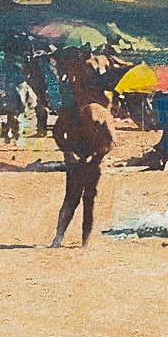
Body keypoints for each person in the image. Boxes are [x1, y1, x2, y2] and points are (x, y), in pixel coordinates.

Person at [46, 59, 115, 246]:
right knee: (71, 198)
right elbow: (57, 132)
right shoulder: (70, 111)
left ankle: (85, 241)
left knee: (89, 201)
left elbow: (111, 141)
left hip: (94, 161)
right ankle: (58, 237)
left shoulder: (101, 111)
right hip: (76, 158)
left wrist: (97, 157)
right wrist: (67, 151)